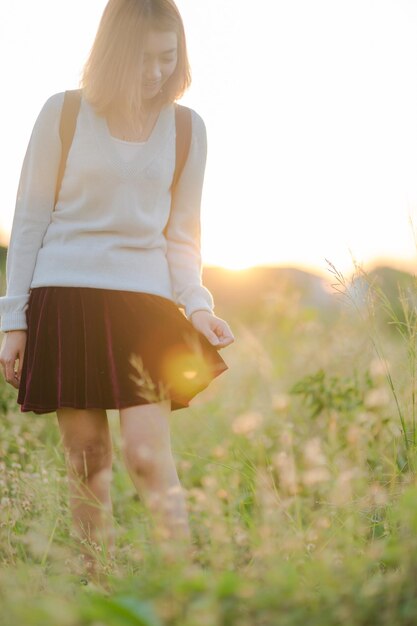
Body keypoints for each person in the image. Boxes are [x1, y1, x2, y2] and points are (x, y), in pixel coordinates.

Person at [0, 0, 234, 571]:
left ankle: (183, 584)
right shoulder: (63, 113)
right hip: (65, 297)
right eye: (142, 59)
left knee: (148, 456)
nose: (155, 72)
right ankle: (95, 586)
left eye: (167, 57)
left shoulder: (186, 128)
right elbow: (29, 222)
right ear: (111, 55)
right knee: (88, 460)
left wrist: (198, 307)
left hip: (146, 307)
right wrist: (13, 319)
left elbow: (182, 235)